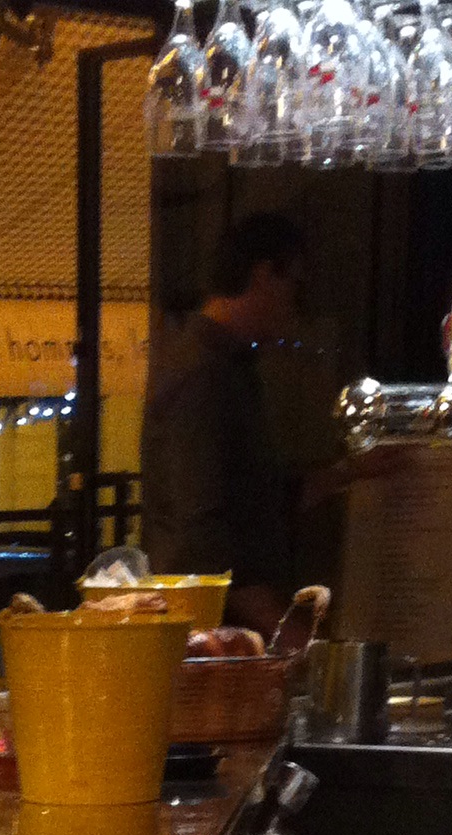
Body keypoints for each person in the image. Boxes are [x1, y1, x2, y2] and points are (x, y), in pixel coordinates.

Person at [140, 212, 307, 637]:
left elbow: (250, 496)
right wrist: (281, 627)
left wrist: (350, 473)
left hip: (225, 625)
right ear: (264, 276)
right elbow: (201, 528)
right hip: (216, 632)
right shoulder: (204, 372)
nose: (293, 306)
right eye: (293, 285)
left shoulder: (223, 365)